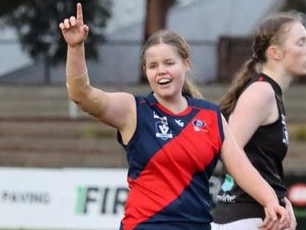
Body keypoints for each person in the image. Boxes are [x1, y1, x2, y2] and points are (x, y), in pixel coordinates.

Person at [59, 3, 289, 230]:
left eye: (169, 63)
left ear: (185, 64)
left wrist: (271, 201)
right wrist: (75, 47)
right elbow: (81, 95)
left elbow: (242, 168)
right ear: (145, 71)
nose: (161, 71)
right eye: (153, 65)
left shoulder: (209, 115)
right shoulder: (133, 109)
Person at [211, 10, 306, 230]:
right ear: (275, 52)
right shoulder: (261, 92)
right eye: (301, 42)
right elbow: (228, 151)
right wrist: (270, 199)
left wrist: (281, 198)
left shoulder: (270, 92)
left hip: (257, 217)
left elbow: (260, 163)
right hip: (245, 218)